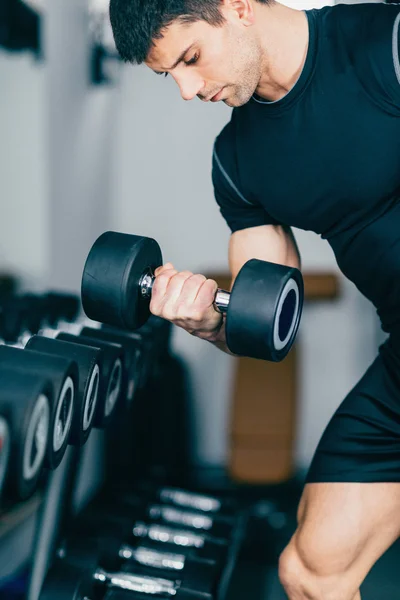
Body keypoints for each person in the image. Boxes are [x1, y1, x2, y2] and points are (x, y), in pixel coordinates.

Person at [109, 0, 400, 598]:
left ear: (236, 7)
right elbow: (265, 321)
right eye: (170, 76)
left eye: (190, 58)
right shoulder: (239, 164)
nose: (187, 90)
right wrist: (206, 318)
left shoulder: (382, 41)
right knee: (312, 571)